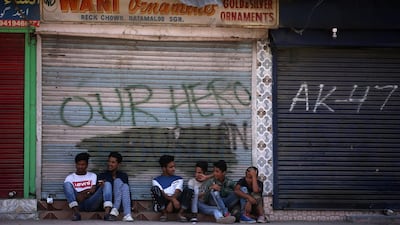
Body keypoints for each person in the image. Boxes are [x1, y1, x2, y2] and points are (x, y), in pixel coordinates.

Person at [63, 152, 106, 221]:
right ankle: (76, 213)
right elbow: (77, 197)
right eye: (78, 164)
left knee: (105, 185)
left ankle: (107, 214)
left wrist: (82, 194)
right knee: (66, 184)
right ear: (75, 165)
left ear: (87, 165)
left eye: (83, 164)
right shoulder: (70, 178)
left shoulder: (92, 176)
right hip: (77, 205)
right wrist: (87, 191)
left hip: (91, 203)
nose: (80, 167)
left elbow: (92, 192)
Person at [151, 155, 191, 222]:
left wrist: (172, 202)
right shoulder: (156, 180)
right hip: (164, 205)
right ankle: (164, 214)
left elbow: (177, 191)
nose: (174, 169)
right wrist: (172, 200)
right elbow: (163, 194)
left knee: (189, 190)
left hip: (177, 204)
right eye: (171, 167)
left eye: (174, 166)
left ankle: (180, 214)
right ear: (164, 168)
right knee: (155, 189)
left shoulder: (179, 179)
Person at [198, 160, 238, 224]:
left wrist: (222, 190)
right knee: (215, 192)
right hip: (212, 203)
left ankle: (244, 214)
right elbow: (204, 198)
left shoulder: (228, 181)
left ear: (224, 173)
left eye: (217, 171)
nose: (215, 173)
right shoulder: (210, 182)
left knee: (241, 190)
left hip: (223, 203)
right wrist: (211, 188)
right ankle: (226, 214)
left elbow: (236, 189)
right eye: (214, 171)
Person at [98, 152, 134, 222]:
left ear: (119, 164)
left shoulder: (123, 175)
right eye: (109, 161)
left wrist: (131, 205)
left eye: (113, 162)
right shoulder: (103, 175)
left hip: (121, 205)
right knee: (120, 182)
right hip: (107, 205)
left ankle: (122, 212)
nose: (110, 164)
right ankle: (124, 213)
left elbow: (127, 193)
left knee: (125, 186)